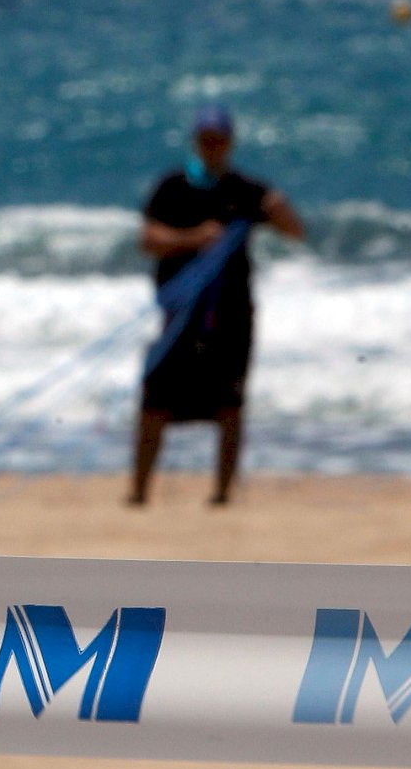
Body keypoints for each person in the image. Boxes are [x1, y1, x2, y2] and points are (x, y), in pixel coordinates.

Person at [129, 104, 303, 508]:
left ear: (230, 142)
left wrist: (281, 212)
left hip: (231, 316)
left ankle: (223, 493)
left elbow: (295, 232)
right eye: (206, 139)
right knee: (155, 400)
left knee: (230, 406)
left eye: (219, 139)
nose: (212, 146)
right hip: (179, 316)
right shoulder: (172, 186)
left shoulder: (246, 189)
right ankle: (139, 491)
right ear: (196, 141)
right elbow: (148, 238)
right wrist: (193, 239)